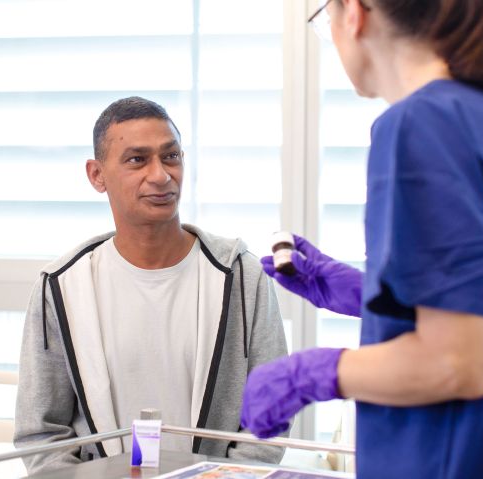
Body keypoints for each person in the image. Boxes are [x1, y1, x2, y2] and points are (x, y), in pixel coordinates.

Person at [240, 1, 483, 478]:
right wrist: (367, 293)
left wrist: (310, 374)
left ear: (355, 13)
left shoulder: (420, 124)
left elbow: (459, 361)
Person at [14, 96, 288, 474]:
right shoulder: (62, 286)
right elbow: (41, 434)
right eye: (137, 159)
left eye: (171, 156)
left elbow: (268, 420)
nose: (160, 175)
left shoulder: (241, 276)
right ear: (97, 175)